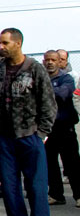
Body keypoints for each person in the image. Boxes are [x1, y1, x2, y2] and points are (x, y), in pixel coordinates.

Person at [0, 28, 57, 216]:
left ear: (18, 43)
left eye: (5, 43)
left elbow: (48, 103)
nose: (1, 47)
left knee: (36, 186)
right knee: (9, 186)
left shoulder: (34, 69)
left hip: (30, 136)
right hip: (5, 139)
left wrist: (42, 133)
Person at [42, 50, 80, 207]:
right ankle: (56, 195)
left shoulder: (66, 78)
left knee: (72, 164)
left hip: (65, 127)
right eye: (47, 60)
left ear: (60, 62)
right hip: (48, 128)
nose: (50, 62)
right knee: (50, 163)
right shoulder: (41, 78)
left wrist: (42, 92)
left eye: (53, 60)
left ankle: (78, 195)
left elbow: (64, 94)